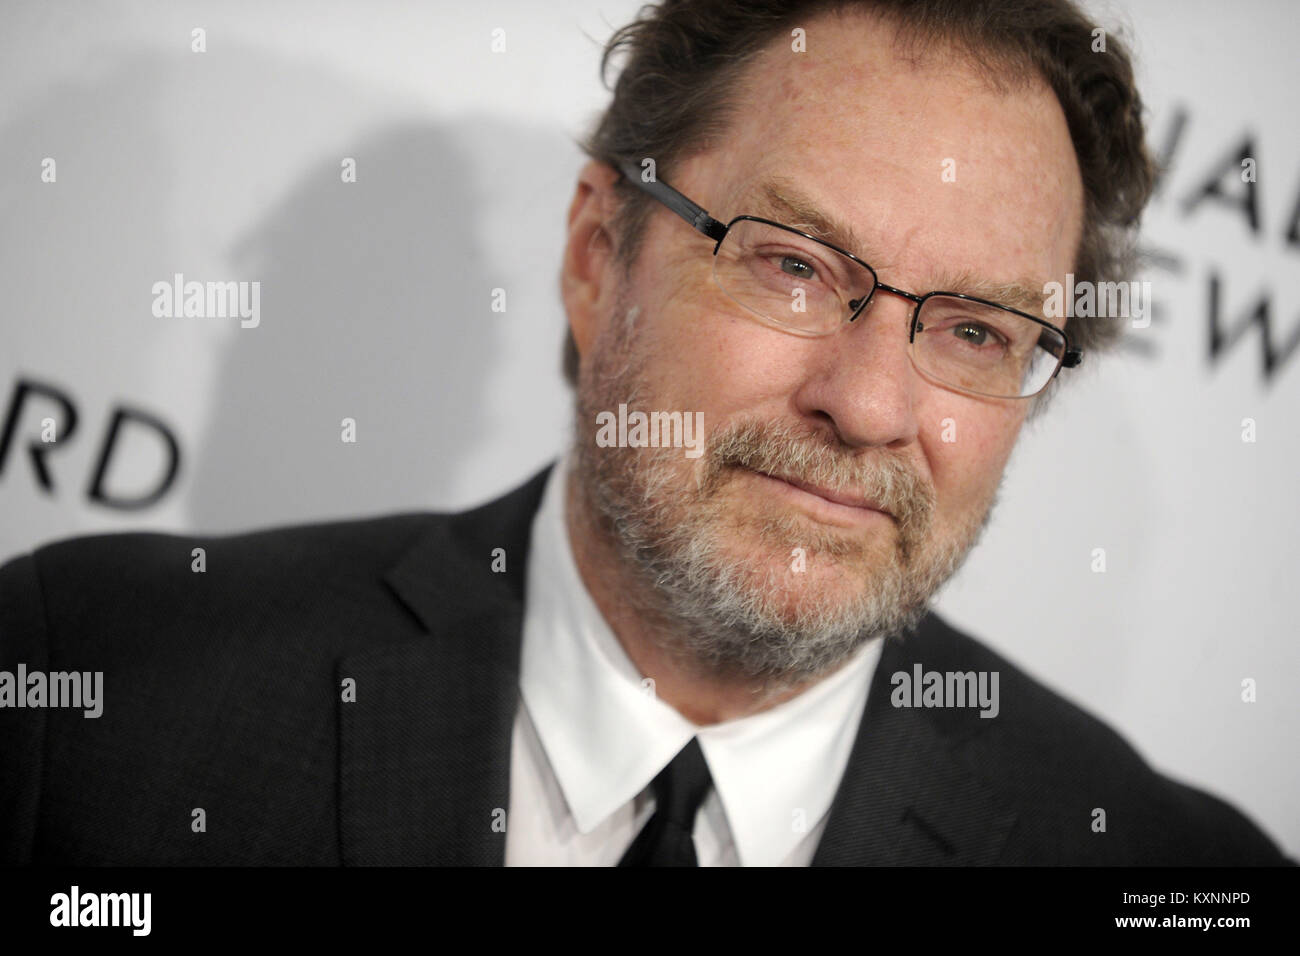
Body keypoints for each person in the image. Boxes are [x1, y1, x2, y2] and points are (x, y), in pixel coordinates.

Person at [0, 0, 1290, 866]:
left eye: (976, 333)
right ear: (594, 253)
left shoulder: (1168, 873)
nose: (870, 404)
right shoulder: (97, 696)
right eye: (792, 266)